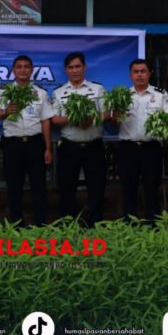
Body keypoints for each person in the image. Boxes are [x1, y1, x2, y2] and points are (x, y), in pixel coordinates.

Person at [0, 55, 53, 226]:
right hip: (12, 144)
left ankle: (40, 225)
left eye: (26, 66)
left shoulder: (40, 93)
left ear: (31, 70)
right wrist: (7, 111)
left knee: (39, 186)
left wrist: (48, 148)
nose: (23, 69)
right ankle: (17, 226)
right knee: (14, 186)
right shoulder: (5, 92)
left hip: (35, 143)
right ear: (13, 70)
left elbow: (46, 121)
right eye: (19, 67)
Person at [114, 58, 168, 223]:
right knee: (128, 189)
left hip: (152, 148)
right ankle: (129, 225)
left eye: (143, 71)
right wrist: (116, 116)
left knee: (151, 188)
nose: (139, 75)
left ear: (150, 74)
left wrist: (161, 122)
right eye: (136, 72)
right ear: (130, 75)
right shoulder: (122, 95)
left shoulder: (160, 94)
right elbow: (113, 120)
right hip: (128, 148)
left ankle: (153, 227)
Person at [51, 52, 108, 225]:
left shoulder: (97, 89)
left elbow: (107, 113)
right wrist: (72, 119)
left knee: (96, 188)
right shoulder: (59, 92)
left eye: (77, 66)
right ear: (66, 70)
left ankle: (94, 225)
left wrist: (92, 119)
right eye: (71, 67)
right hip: (70, 147)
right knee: (67, 189)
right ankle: (69, 226)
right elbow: (54, 119)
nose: (74, 70)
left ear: (84, 67)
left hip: (94, 147)